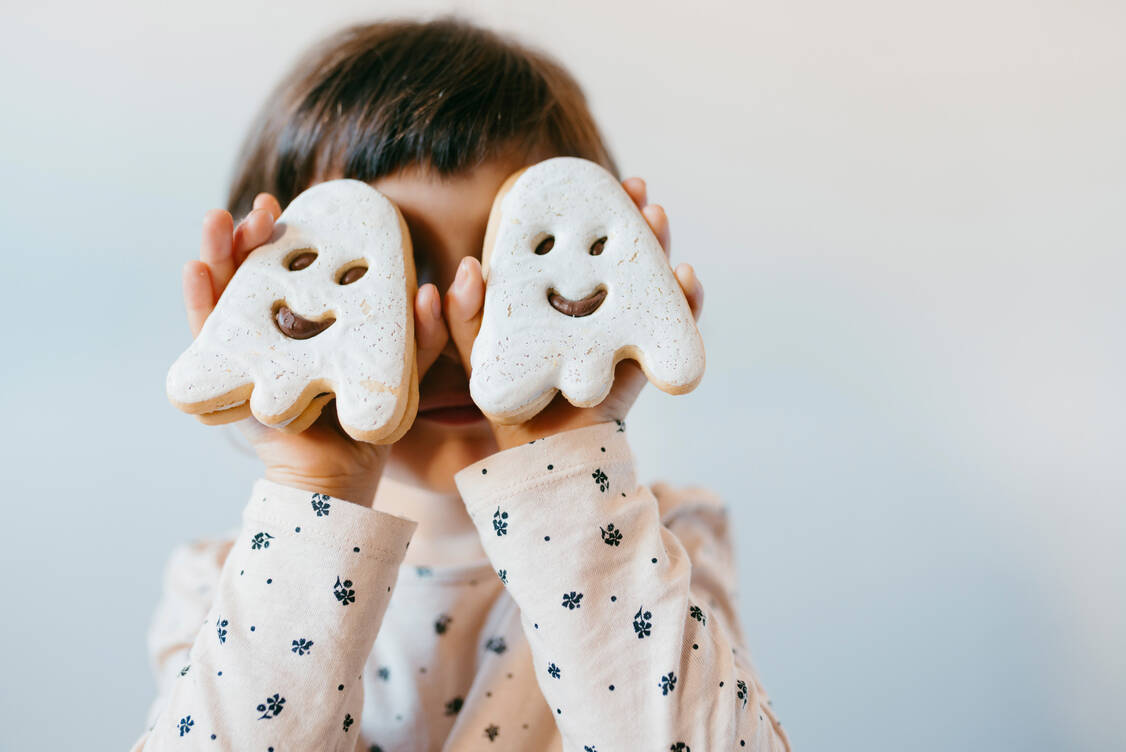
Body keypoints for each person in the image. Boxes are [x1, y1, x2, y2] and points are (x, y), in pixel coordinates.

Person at [134, 17, 788, 751]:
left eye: (508, 264)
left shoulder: (663, 553)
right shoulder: (229, 587)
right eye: (381, 273)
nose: (451, 333)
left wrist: (564, 461)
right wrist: (315, 484)